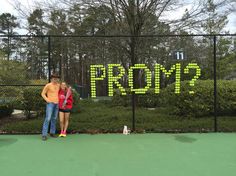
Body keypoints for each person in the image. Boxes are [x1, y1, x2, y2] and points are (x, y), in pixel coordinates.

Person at [41, 74, 60, 141]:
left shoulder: (58, 85)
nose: (56, 80)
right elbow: (42, 94)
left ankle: (52, 133)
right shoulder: (48, 85)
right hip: (50, 104)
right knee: (48, 118)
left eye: (57, 79)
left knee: (54, 118)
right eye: (54, 78)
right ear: (51, 79)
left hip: (57, 104)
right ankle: (44, 135)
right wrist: (47, 100)